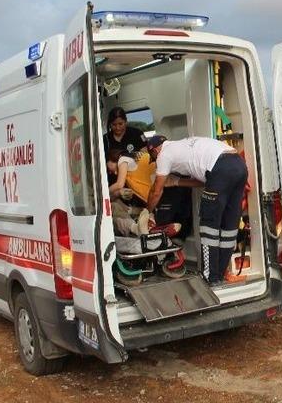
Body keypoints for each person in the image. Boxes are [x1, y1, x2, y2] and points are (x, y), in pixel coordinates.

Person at [145, 135, 248, 285]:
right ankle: (219, 275)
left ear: (154, 151)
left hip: (219, 169)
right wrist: (177, 182)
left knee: (209, 228)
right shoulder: (183, 145)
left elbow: (156, 191)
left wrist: (147, 211)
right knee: (228, 227)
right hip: (238, 165)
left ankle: (209, 277)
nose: (156, 162)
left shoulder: (163, 155)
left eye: (153, 159)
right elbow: (205, 181)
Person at [105, 147, 180, 242]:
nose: (115, 173)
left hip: (159, 194)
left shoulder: (123, 160)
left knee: (119, 210)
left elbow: (119, 184)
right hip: (159, 194)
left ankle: (145, 229)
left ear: (112, 159)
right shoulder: (133, 164)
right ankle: (150, 227)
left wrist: (104, 192)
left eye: (109, 169)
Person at [104, 107, 146, 183]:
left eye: (120, 124)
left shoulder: (137, 133)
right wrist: (108, 163)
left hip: (136, 177)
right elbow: (104, 159)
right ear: (110, 124)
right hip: (115, 179)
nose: (117, 127)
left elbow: (145, 153)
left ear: (126, 121)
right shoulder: (105, 139)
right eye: (114, 124)